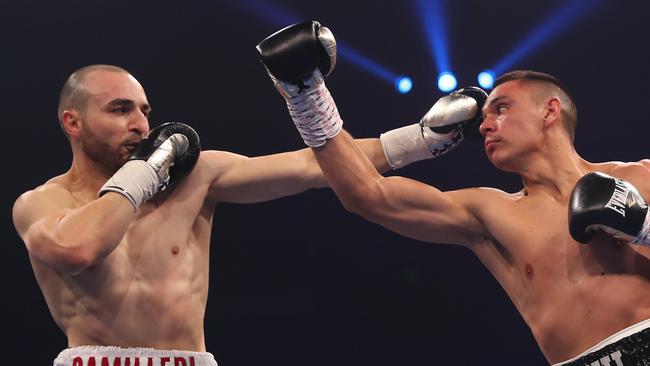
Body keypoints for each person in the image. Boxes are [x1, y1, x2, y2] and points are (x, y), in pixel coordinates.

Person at [258, 21, 650, 365]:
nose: (484, 126)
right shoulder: (489, 212)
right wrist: (307, 97)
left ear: (550, 111)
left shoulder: (641, 177)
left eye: (501, 109)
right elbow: (369, 194)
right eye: (485, 117)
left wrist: (643, 226)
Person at [11, 64, 395, 365]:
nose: (140, 124)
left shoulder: (197, 178)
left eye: (144, 110)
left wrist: (421, 138)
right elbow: (79, 249)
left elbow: (310, 166)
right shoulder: (43, 202)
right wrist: (142, 173)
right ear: (72, 123)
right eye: (120, 110)